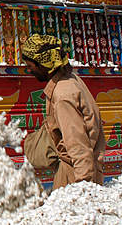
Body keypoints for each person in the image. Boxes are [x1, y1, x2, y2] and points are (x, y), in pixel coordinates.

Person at [20, 34, 106, 190]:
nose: (29, 70)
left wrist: (83, 188)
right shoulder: (70, 79)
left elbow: (78, 145)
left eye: (30, 66)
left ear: (43, 64)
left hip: (74, 175)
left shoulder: (63, 96)